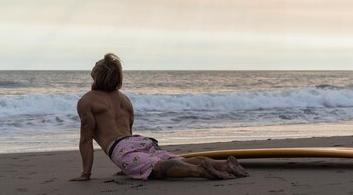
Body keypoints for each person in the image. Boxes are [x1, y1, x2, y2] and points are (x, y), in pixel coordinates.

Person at [70, 53, 249, 181]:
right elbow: (128, 130)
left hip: (121, 148)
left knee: (157, 168)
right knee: (175, 160)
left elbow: (86, 140)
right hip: (140, 141)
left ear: (97, 74)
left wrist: (86, 174)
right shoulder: (124, 100)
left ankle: (199, 171)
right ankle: (224, 165)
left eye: (95, 64)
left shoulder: (87, 101)